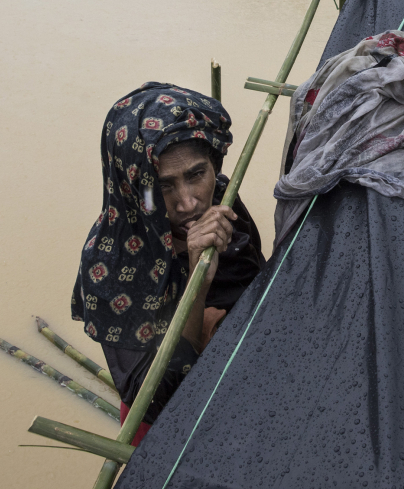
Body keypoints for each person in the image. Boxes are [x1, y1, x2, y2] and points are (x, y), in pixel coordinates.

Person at [71, 83, 264, 442]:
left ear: (214, 165)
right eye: (164, 186)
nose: (189, 203)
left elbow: (259, 293)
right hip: (171, 431)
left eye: (196, 174)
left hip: (241, 392)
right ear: (134, 187)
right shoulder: (110, 267)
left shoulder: (225, 205)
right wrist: (198, 281)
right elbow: (160, 397)